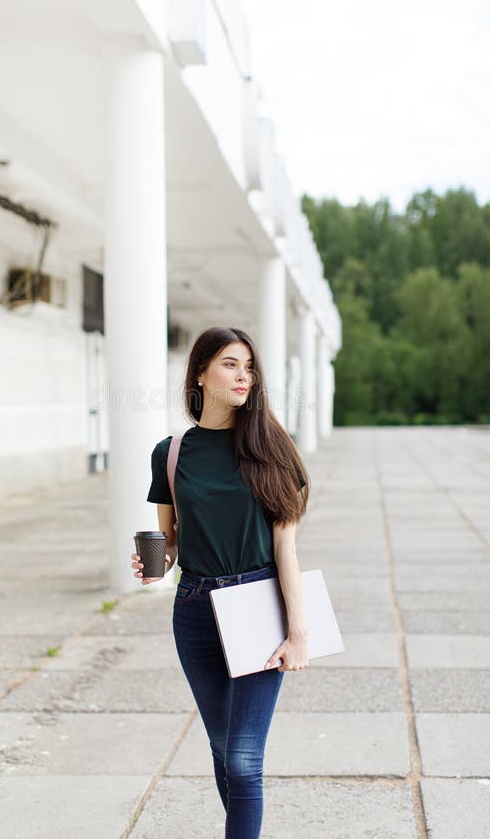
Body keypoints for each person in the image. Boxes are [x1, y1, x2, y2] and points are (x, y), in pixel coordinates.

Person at [131, 325, 310, 839]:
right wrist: (152, 565)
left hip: (258, 603)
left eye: (249, 367)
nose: (243, 375)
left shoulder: (273, 448)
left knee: (243, 757)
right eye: (231, 364)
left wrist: (298, 633)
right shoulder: (170, 452)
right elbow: (168, 544)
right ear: (202, 373)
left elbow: (285, 550)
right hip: (194, 609)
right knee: (221, 746)